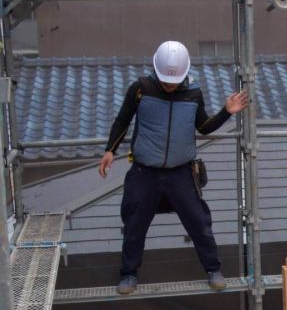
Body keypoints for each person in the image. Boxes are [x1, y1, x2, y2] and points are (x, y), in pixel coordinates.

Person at [98, 40, 248, 295]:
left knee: (199, 222)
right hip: (145, 171)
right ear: (156, 71)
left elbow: (203, 127)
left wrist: (226, 111)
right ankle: (129, 274)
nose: (169, 84)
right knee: (134, 223)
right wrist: (110, 149)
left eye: (174, 81)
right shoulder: (140, 89)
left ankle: (213, 269)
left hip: (181, 172)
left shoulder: (193, 94)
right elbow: (123, 119)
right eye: (166, 80)